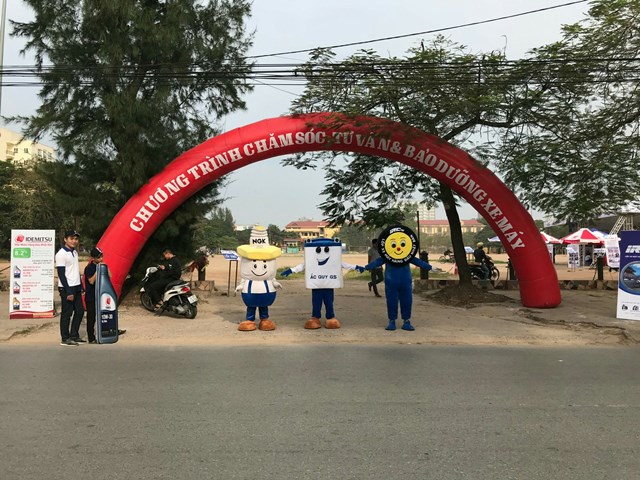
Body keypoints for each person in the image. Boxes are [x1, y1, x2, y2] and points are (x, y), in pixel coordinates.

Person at [362, 225, 432, 331]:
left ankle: (406, 321)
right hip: (391, 282)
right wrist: (366, 267)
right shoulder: (387, 256)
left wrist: (429, 267)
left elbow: (417, 261)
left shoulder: (407, 256)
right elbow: (377, 262)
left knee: (407, 301)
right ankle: (392, 320)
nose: (398, 248)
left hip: (405, 282)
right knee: (391, 301)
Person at [83, 246, 126, 343]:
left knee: (106, 314)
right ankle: (91, 337)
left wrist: (105, 267)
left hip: (101, 296)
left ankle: (110, 331)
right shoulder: (89, 268)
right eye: (98, 257)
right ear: (93, 258)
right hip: (91, 297)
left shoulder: (103, 266)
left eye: (101, 256)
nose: (101, 259)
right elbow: (91, 281)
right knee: (91, 317)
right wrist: (98, 270)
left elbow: (110, 275)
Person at [55, 229, 84, 346]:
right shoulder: (61, 254)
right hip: (67, 287)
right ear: (65, 239)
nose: (74, 241)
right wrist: (68, 291)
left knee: (80, 311)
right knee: (67, 314)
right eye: (71, 238)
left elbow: (75, 271)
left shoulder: (75, 252)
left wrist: (81, 285)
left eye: (76, 239)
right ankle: (65, 337)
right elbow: (61, 274)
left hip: (76, 286)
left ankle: (74, 335)